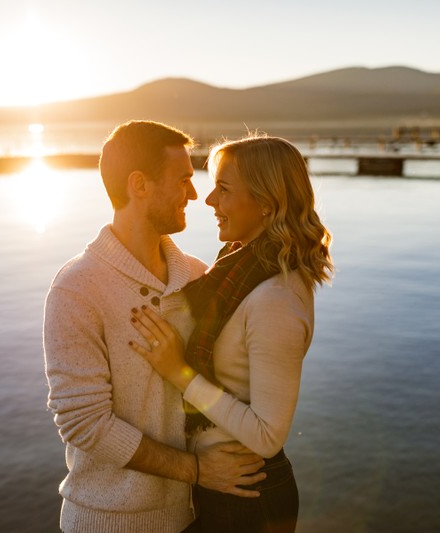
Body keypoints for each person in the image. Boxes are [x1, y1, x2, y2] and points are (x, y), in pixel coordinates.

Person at [43, 121, 267, 533]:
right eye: (183, 179)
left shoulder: (199, 278)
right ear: (139, 185)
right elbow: (84, 423)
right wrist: (198, 470)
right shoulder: (77, 288)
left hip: (191, 516)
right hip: (106, 523)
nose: (195, 193)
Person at [129, 134, 334, 532]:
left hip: (249, 497)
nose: (208, 202)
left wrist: (179, 374)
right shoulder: (239, 269)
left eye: (223, 190)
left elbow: (267, 435)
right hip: (226, 486)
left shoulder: (275, 297)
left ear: (266, 202)